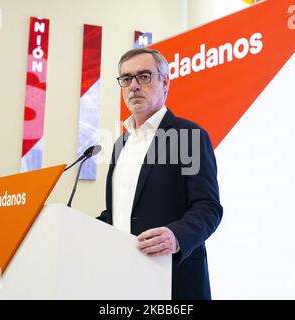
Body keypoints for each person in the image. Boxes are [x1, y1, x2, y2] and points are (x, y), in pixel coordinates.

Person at [97, 48, 222, 300]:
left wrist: (177, 236)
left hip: (174, 282)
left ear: (165, 82)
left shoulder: (188, 135)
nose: (133, 86)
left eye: (144, 76)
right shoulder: (120, 144)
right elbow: (117, 215)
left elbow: (208, 207)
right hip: (123, 282)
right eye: (126, 78)